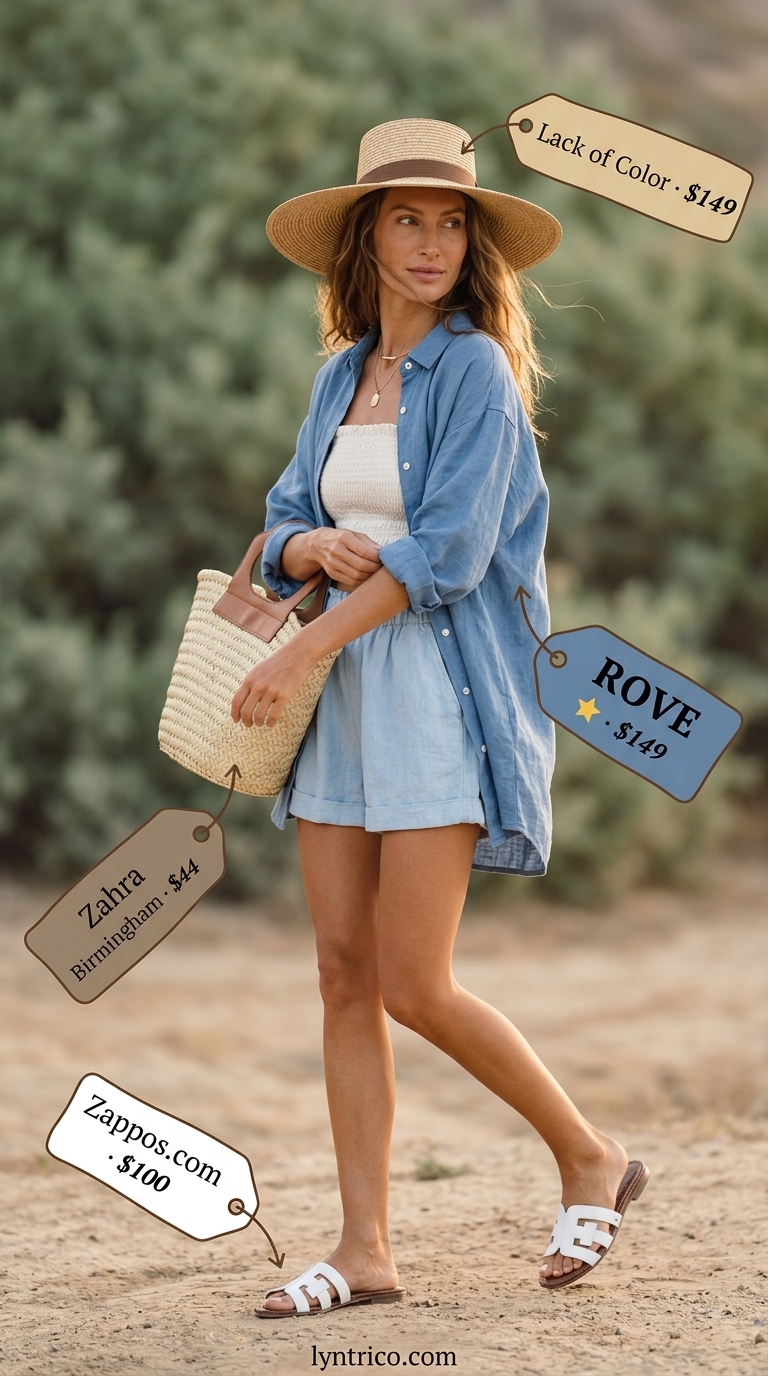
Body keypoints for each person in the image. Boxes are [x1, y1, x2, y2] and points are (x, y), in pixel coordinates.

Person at [230, 119, 648, 1316]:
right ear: (365, 237)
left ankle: (588, 1153)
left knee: (416, 980)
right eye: (407, 218)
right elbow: (285, 509)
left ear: (476, 242)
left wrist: (305, 634)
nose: (432, 241)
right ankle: (366, 1247)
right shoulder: (338, 373)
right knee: (341, 973)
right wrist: (306, 541)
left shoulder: (477, 371)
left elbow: (455, 552)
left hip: (435, 697)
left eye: (451, 219)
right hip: (337, 705)